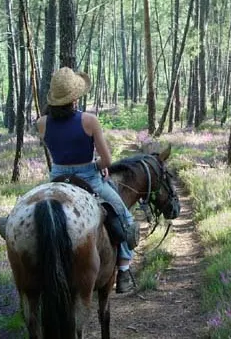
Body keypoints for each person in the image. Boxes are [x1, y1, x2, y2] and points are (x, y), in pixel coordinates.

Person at [36, 66, 135, 293]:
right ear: (75, 97)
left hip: (57, 180)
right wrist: (98, 167)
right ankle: (124, 270)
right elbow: (107, 160)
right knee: (125, 218)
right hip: (89, 178)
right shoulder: (89, 120)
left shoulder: (42, 123)